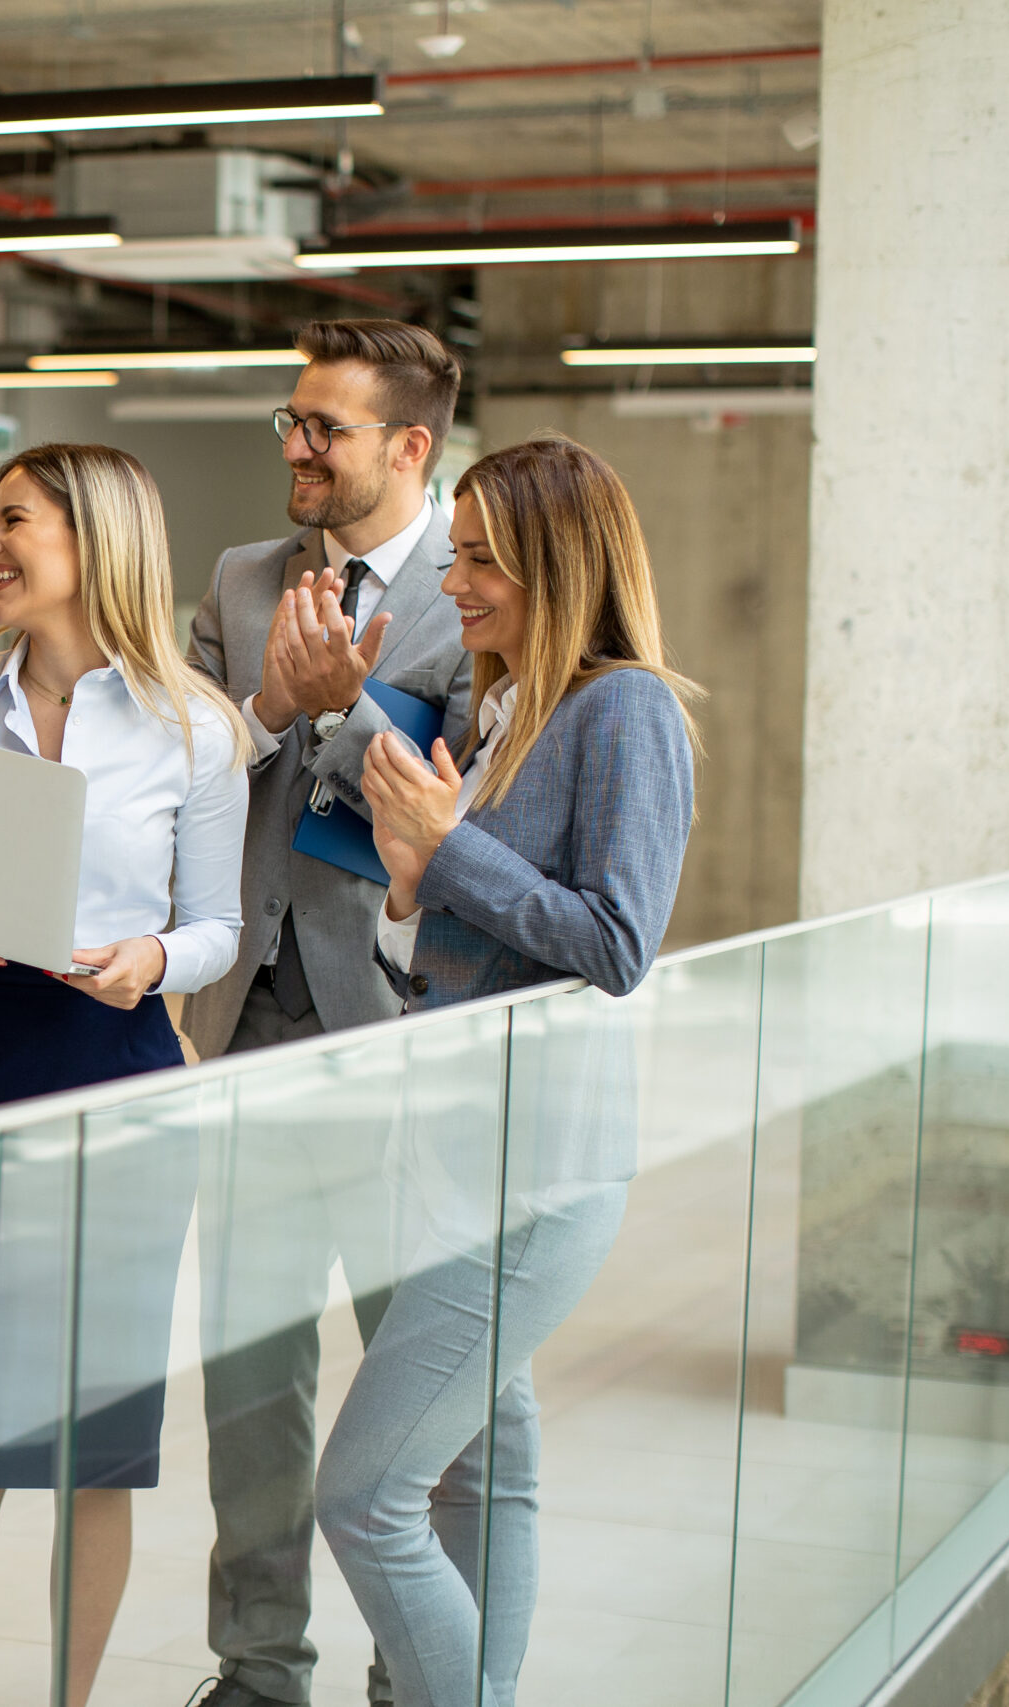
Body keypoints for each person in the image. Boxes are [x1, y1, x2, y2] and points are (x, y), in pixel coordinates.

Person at [315, 432, 700, 1707]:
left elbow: (614, 940)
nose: (457, 584)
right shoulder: (499, 711)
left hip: (536, 1168)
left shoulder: (625, 707)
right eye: (459, 556)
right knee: (487, 1463)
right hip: (452, 1145)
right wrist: (417, 876)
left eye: (482, 561)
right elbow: (440, 934)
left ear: (559, 563)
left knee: (364, 1496)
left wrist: (442, 848)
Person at [0, 442, 248, 1707]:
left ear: (91, 542)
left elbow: (217, 927)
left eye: (11, 521)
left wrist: (150, 955)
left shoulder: (196, 723)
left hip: (122, 1076)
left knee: (99, 1447)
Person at [181, 318, 473, 1707]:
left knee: (417, 1396)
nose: (294, 448)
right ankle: (255, 1666)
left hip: (403, 1042)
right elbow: (175, 774)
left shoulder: (480, 596)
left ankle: (412, 1671)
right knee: (251, 1382)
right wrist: (262, 701)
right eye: (289, 422)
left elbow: (464, 807)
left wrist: (340, 721)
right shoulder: (243, 580)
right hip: (245, 1029)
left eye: (325, 428)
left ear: (410, 447)